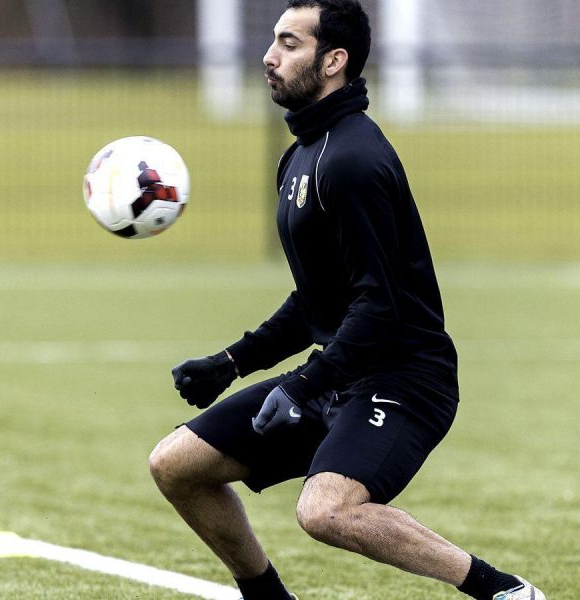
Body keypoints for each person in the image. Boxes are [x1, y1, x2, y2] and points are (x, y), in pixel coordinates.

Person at [148, 1, 546, 599]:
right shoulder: (302, 155)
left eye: (289, 44)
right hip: (344, 371)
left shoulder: (355, 160)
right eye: (273, 41)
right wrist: (231, 363)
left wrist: (304, 384)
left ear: (334, 61)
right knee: (176, 465)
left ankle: (504, 591)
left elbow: (379, 309)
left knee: (325, 511)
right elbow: (318, 299)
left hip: (406, 379)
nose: (269, 57)